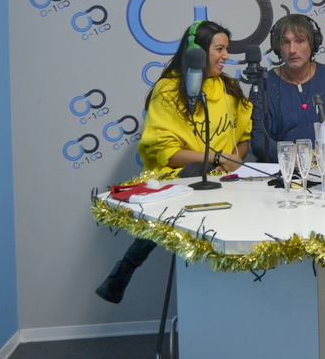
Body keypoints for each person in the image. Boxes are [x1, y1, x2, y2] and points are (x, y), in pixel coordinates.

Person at [96, 20, 252, 303]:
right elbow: (167, 153)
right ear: (197, 52)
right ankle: (126, 268)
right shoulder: (168, 90)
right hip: (179, 179)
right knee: (194, 170)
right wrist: (215, 157)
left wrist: (233, 160)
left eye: (226, 49)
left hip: (225, 181)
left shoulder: (229, 89)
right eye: (219, 49)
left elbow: (243, 138)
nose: (226, 55)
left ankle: (126, 268)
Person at [250, 14, 325, 162]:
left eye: (300, 41)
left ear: (313, 43)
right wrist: (291, 154)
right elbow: (259, 140)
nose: (292, 50)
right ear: (277, 47)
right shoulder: (264, 84)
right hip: (282, 168)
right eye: (285, 42)